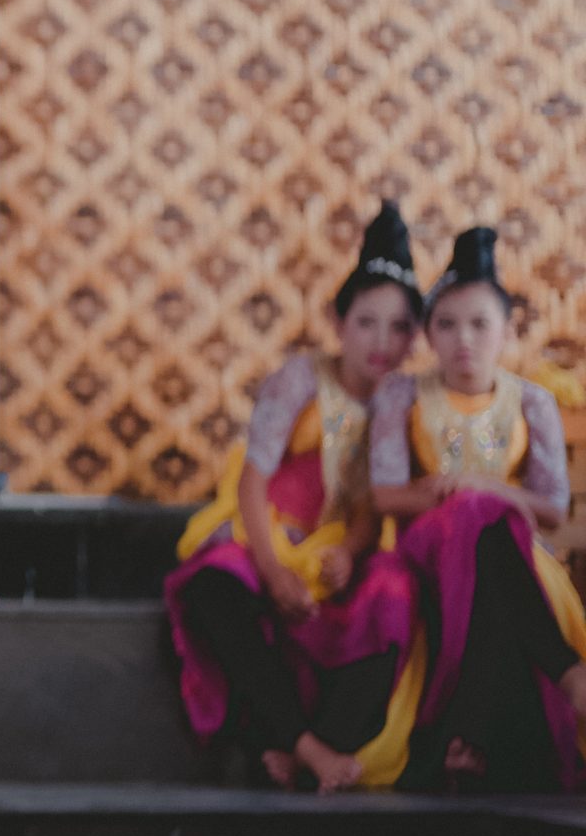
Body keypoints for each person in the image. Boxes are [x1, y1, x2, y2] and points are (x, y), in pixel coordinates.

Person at [164, 201, 425, 791]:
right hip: (270, 530)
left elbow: (371, 503)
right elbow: (251, 481)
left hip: (340, 541)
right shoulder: (301, 380)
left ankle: (320, 742)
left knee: (395, 593)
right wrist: (274, 567)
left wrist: (353, 552)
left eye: (400, 326)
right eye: (367, 322)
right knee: (215, 589)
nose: (382, 341)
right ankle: (303, 744)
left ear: (416, 336)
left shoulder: (401, 401)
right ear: (338, 320)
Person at [370, 226, 586, 793]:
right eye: (446, 324)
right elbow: (385, 494)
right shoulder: (402, 395)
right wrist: (463, 497)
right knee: (471, 520)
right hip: (426, 548)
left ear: (506, 331)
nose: (463, 339)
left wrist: (480, 488)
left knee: (488, 546)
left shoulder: (531, 401)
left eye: (479, 324)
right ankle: (568, 674)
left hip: (512, 549)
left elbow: (554, 511)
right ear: (429, 335)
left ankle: (472, 740)